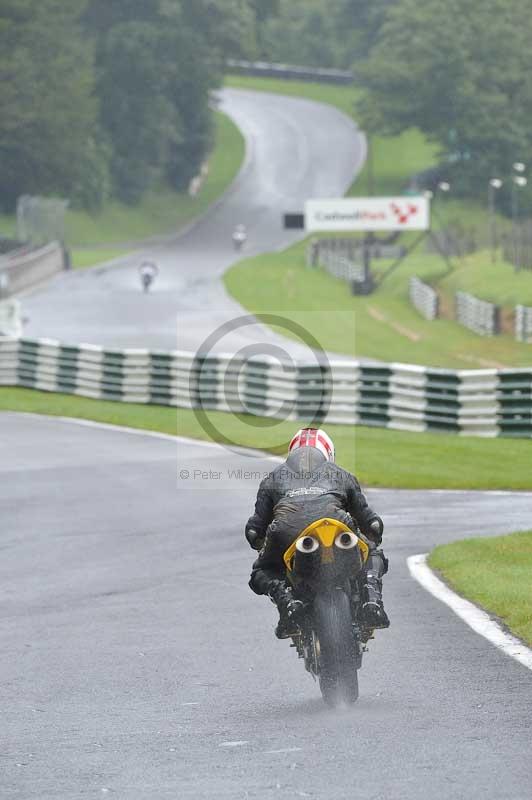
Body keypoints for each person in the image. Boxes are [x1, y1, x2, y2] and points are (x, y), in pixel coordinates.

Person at [245, 428, 389, 638]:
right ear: (328, 453)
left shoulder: (272, 478)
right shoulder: (341, 473)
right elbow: (371, 523)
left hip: (288, 532)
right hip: (337, 525)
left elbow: (253, 531)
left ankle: (288, 604)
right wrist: (373, 532)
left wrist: (261, 542)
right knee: (372, 550)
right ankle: (371, 600)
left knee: (261, 571)